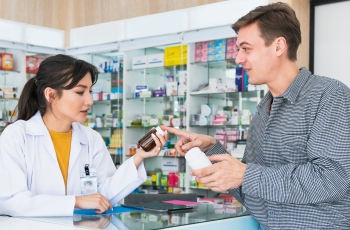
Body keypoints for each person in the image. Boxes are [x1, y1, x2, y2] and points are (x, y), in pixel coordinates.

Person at [162, 2, 350, 229]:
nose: (239, 59)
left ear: (279, 46)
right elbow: (252, 188)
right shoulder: (264, 108)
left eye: (246, 48)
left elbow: (332, 180)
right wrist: (212, 149)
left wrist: (246, 174)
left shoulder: (329, 95)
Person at [0, 54, 168, 216]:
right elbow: (12, 201)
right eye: (80, 92)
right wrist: (76, 201)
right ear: (51, 95)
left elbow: (103, 196)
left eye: (90, 92)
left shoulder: (91, 138)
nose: (89, 101)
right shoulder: (17, 136)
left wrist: (139, 156)